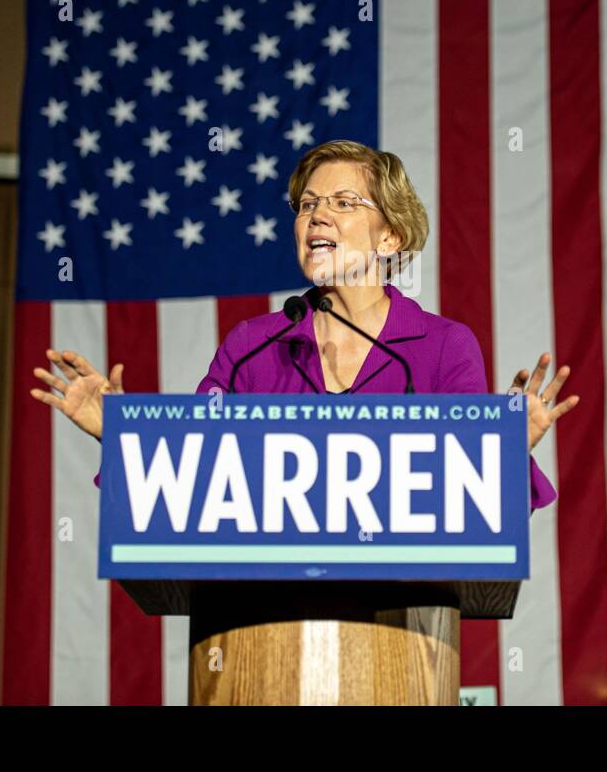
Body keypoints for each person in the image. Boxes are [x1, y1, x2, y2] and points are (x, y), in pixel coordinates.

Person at [30, 139, 577, 510]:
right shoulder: (252, 348)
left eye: (343, 202)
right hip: (265, 631)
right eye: (307, 203)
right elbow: (195, 475)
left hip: (400, 632)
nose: (316, 215)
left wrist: (505, 449)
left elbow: (466, 499)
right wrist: (121, 433)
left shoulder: (440, 348)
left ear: (390, 238)